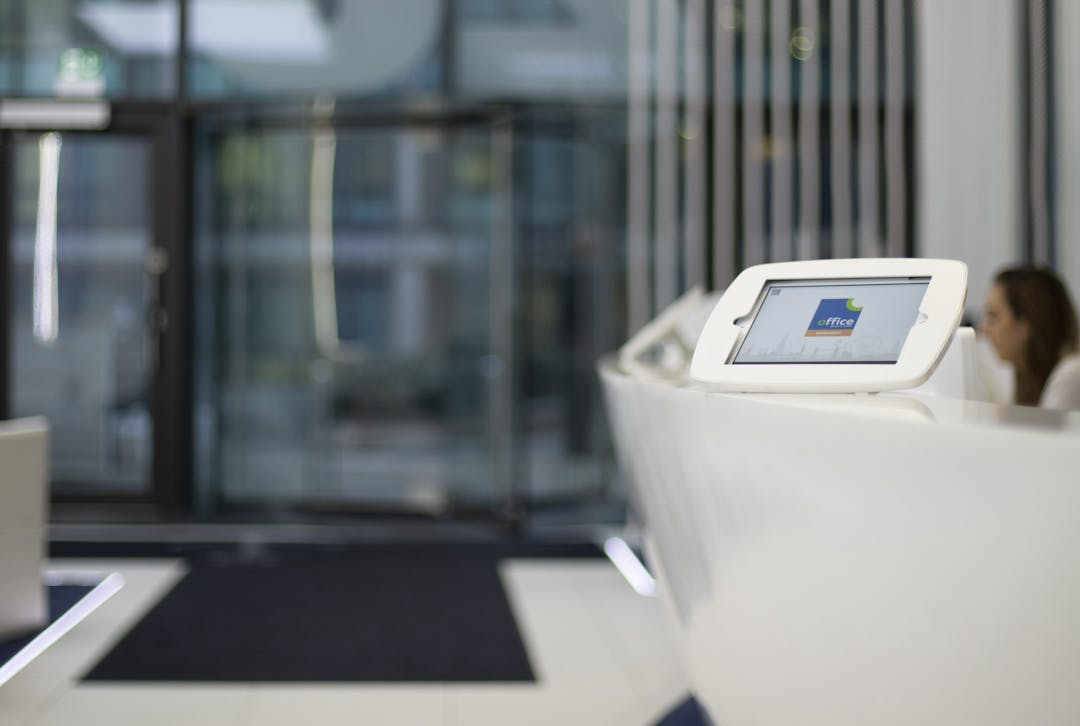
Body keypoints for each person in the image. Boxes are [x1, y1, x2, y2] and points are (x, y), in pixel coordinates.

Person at [978, 265, 1080, 410]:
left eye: (993, 316)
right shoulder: (1023, 377)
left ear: (1027, 324)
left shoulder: (1071, 376)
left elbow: (1044, 432)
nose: (983, 329)